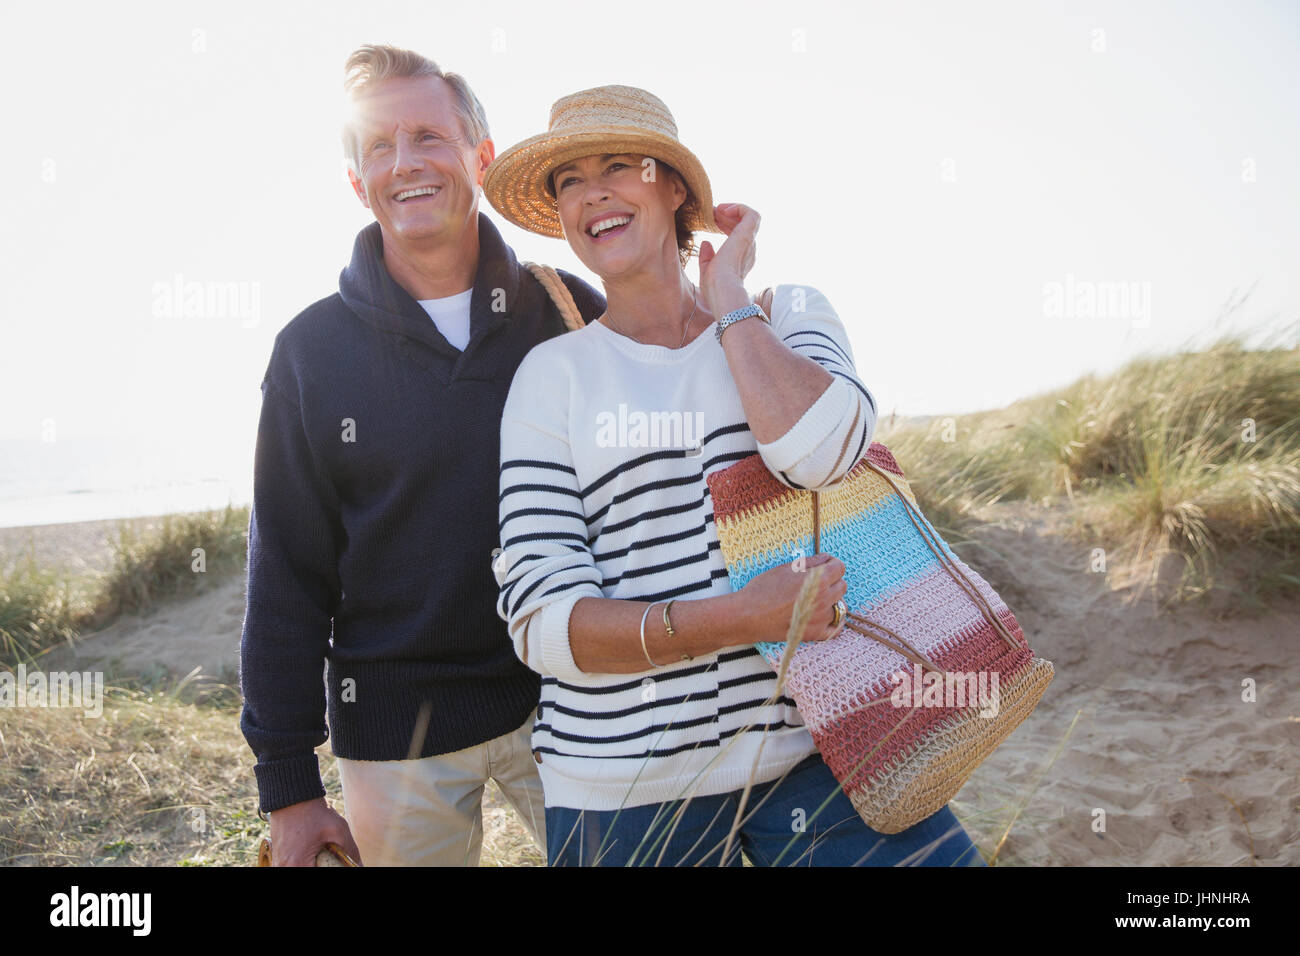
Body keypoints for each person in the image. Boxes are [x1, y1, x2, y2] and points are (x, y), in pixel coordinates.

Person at [483, 85, 987, 866]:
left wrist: (728, 304)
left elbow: (823, 453)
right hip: (624, 786)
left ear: (674, 185)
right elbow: (541, 623)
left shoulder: (784, 315)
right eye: (570, 181)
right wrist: (741, 618)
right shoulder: (552, 378)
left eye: (620, 165)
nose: (594, 194)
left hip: (826, 747)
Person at [238, 45, 605, 866]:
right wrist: (290, 788)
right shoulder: (310, 353)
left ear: (481, 156)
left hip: (577, 702)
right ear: (355, 180)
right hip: (395, 727)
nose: (404, 163)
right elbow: (287, 577)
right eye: (377, 147)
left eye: (428, 138)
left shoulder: (567, 310)